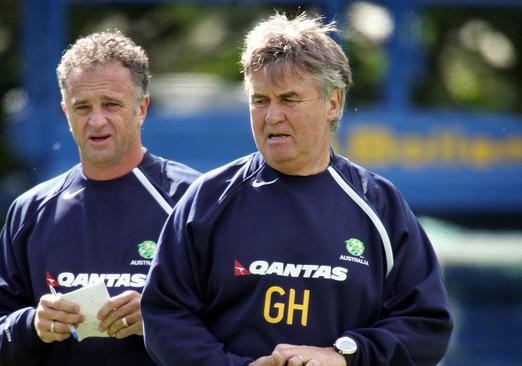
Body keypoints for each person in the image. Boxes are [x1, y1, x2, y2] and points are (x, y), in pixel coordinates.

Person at [141, 12, 453, 366]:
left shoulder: (379, 205)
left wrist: (345, 355)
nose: (272, 116)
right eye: (260, 100)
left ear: (332, 103)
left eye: (289, 99)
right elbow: (165, 316)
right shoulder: (209, 199)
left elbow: (426, 325)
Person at [0, 31, 200, 366]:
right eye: (82, 107)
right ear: (66, 113)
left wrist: (159, 317)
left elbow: (237, 322)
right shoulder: (31, 211)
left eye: (111, 104)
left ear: (142, 108)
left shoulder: (193, 200)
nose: (97, 121)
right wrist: (33, 325)